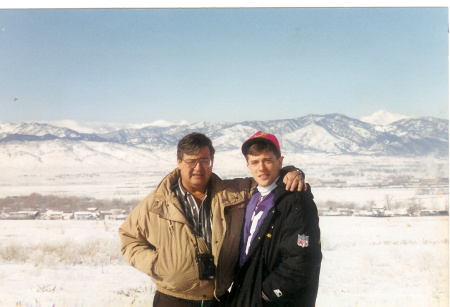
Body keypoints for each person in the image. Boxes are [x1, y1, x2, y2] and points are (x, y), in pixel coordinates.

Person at [118, 132, 305, 307]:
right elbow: (128, 237)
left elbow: (265, 176)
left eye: (204, 161)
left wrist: (291, 172)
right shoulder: (157, 203)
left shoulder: (233, 193)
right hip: (172, 299)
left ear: (212, 161)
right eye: (191, 161)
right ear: (179, 162)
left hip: (218, 299)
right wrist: (156, 264)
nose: (198, 168)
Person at [226, 131, 322, 307]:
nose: (261, 168)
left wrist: (268, 293)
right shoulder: (252, 195)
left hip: (271, 300)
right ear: (248, 166)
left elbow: (302, 259)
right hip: (246, 291)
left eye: (267, 160)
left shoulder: (295, 199)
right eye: (255, 162)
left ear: (280, 161)